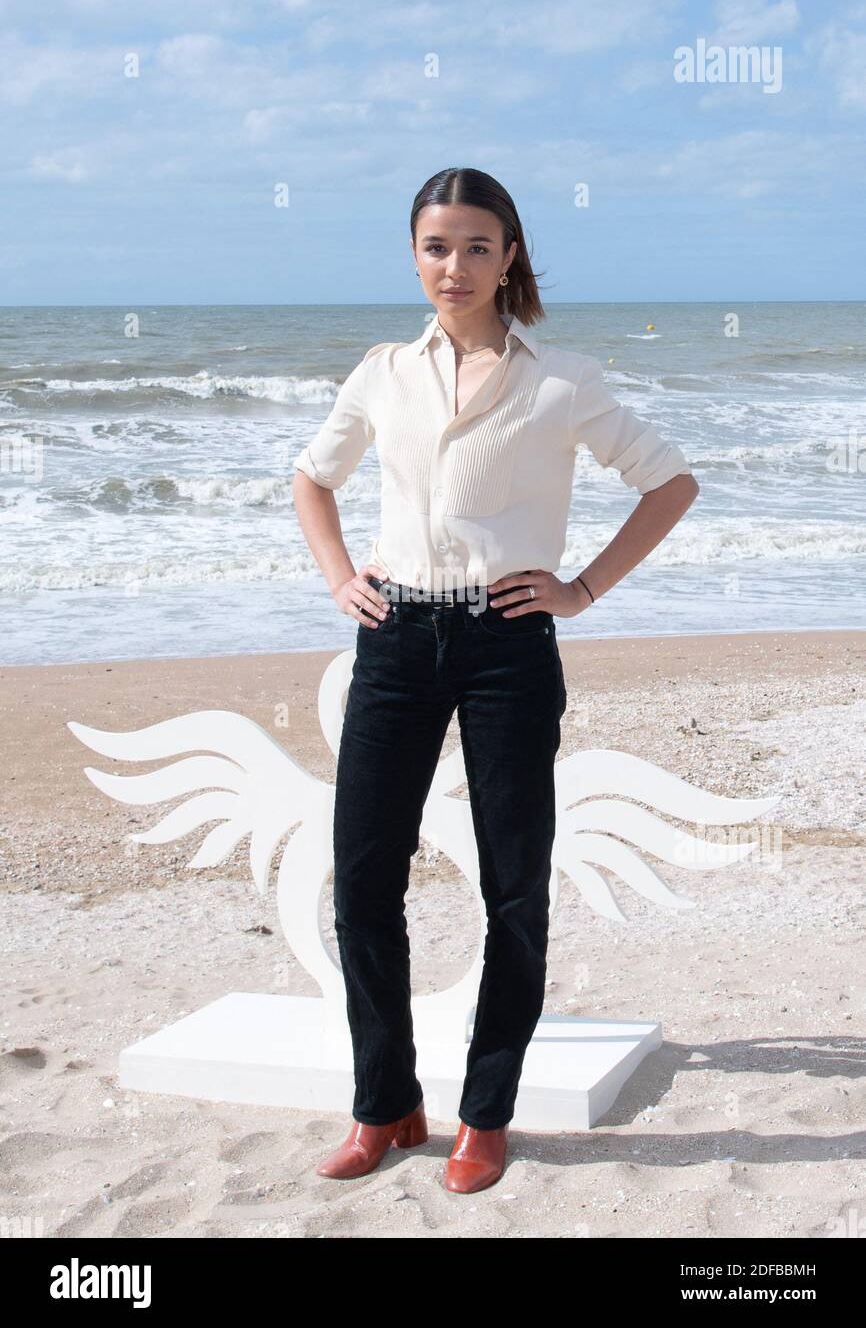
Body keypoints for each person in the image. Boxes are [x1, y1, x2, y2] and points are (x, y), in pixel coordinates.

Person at [292, 167, 700, 1194]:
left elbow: (670, 481)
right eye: (436, 246)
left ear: (509, 253)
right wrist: (342, 576)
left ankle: (484, 1115)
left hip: (507, 645)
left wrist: (583, 588)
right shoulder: (384, 371)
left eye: (477, 245)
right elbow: (311, 475)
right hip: (393, 642)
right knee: (360, 886)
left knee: (511, 887)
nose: (454, 266)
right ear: (414, 255)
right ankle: (384, 1104)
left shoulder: (559, 377)